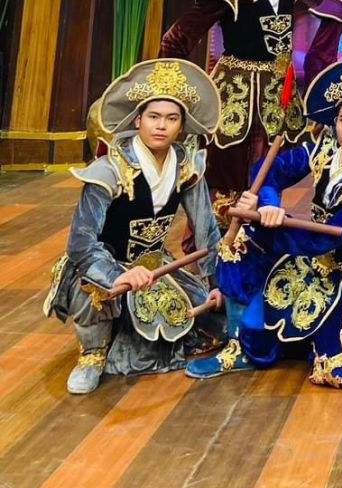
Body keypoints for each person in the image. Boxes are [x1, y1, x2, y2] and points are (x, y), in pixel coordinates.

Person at [186, 58, 342, 387]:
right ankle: (238, 347)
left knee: (335, 369)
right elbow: (269, 169)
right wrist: (268, 204)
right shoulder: (324, 150)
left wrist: (270, 222)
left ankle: (272, 334)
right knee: (236, 243)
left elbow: (321, 241)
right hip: (307, 262)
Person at [43, 59, 224, 394]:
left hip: (154, 266)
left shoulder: (187, 167)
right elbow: (81, 243)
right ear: (138, 120)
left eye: (172, 118)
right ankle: (93, 352)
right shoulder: (109, 170)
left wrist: (218, 283)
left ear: (182, 126)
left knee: (215, 322)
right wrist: (117, 276)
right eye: (153, 117)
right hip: (103, 266)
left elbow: (207, 231)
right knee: (93, 291)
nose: (161, 126)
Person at [159, 0, 327, 220]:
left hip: (278, 93)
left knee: (271, 170)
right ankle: (216, 238)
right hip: (237, 93)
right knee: (228, 172)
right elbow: (177, 39)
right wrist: (174, 93)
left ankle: (259, 231)